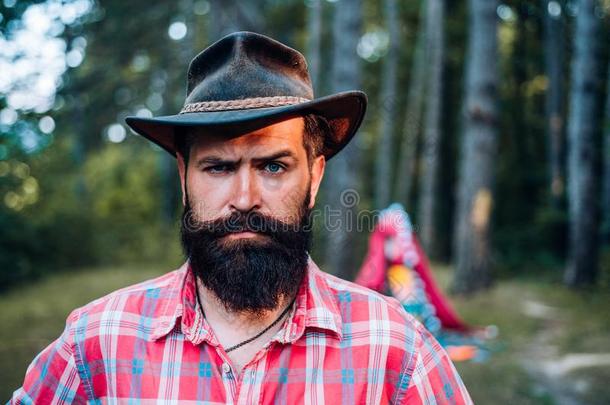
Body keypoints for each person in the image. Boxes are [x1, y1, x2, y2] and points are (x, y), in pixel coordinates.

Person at [10, 31, 472, 404]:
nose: (245, 198)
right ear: (184, 176)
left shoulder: (397, 352)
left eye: (273, 166)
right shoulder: (96, 346)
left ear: (314, 177)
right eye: (218, 167)